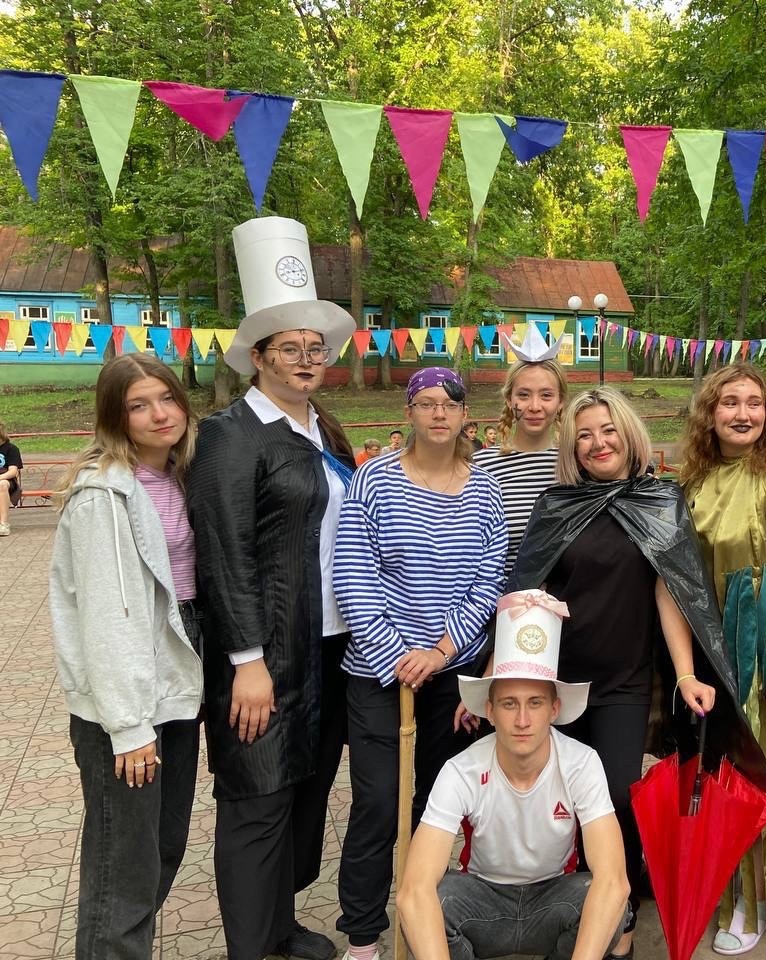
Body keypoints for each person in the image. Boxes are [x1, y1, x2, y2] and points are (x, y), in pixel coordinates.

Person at [509, 386, 766, 960]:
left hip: (623, 684)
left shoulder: (659, 501)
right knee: (561, 802)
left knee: (613, 799)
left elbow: (671, 590)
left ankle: (621, 922)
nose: (598, 443)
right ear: (572, 447)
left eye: (608, 430)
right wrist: (499, 676)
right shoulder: (556, 504)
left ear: (629, 435)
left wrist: (686, 674)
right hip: (556, 682)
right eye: (584, 435)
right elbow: (526, 592)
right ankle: (575, 906)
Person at [188, 216, 357, 960]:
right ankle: (252, 947)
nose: (306, 359)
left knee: (305, 791)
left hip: (331, 644)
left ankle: (280, 927)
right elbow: (224, 554)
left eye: (315, 348)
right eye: (290, 348)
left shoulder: (324, 429)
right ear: (258, 357)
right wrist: (246, 661)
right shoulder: (230, 435)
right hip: (265, 652)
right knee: (257, 794)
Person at [333, 367, 507, 960]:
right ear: (409, 412)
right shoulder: (374, 480)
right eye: (426, 402)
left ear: (464, 416)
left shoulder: (485, 491)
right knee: (379, 801)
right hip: (379, 674)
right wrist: (395, 654)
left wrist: (440, 652)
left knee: (437, 802)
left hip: (449, 673)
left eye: (449, 404)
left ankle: (427, 913)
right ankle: (363, 933)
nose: (438, 413)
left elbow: (488, 581)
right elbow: (353, 573)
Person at [49, 354, 203, 960]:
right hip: (126, 699)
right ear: (116, 417)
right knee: (124, 865)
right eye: (138, 405)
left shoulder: (176, 477)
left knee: (162, 847)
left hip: (173, 682)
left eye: (166, 398)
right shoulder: (104, 496)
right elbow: (109, 619)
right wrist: (129, 727)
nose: (159, 414)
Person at [677, 363, 766, 953]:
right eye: (729, 402)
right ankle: (723, 884)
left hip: (764, 654)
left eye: (754, 403)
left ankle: (757, 900)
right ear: (709, 413)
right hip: (709, 647)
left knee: (760, 774)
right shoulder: (695, 479)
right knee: (718, 770)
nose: (743, 414)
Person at [397, 589, 631, 960]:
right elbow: (413, 890)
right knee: (430, 905)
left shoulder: (581, 762)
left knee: (606, 902)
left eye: (535, 703)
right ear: (489, 710)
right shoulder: (461, 769)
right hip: (481, 898)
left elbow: (615, 881)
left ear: (554, 708)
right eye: (509, 704)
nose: (522, 720)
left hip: (554, 898)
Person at [471, 326, 571, 582]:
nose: (535, 406)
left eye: (546, 395)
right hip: (500, 600)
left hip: (568, 600)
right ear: (509, 399)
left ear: (560, 401)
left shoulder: (576, 464)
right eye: (523, 395)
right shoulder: (480, 467)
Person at [0, 419, 21, 535]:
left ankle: (3, 524)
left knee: (1, 485)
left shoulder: (11, 449)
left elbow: (13, 472)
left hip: (7, 481)